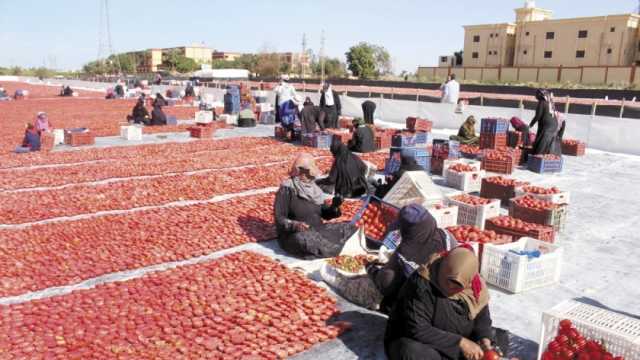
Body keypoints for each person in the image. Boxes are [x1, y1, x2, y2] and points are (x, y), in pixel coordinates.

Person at [385, 246, 493, 360]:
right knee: (409, 351)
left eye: (457, 284)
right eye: (449, 279)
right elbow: (417, 329)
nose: (450, 286)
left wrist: (484, 339)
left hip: (458, 342)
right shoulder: (421, 284)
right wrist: (460, 343)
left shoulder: (476, 287)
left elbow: (482, 317)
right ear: (443, 268)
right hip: (424, 341)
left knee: (497, 340)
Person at [367, 204, 452, 314]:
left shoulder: (405, 252)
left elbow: (385, 284)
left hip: (417, 309)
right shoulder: (446, 237)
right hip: (445, 302)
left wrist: (371, 269)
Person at [274, 153, 354, 259]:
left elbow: (325, 214)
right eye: (307, 174)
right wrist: (295, 224)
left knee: (348, 227)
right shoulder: (287, 189)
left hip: (317, 230)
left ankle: (330, 248)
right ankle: (333, 249)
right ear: (299, 172)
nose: (310, 177)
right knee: (305, 240)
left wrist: (334, 206)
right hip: (294, 235)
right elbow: (279, 218)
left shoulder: (314, 190)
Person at [530, 89, 559, 155]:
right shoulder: (549, 102)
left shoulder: (542, 102)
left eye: (536, 94)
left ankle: (537, 156)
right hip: (554, 125)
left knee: (541, 142)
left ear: (540, 95)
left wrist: (531, 125)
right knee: (549, 142)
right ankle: (547, 156)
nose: (535, 96)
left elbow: (538, 116)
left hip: (548, 126)